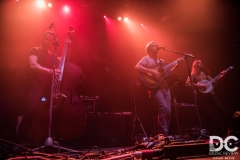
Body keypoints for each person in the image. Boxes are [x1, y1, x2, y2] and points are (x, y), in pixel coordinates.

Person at [16, 31, 61, 143]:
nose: (46, 41)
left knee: (49, 111)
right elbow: (33, 65)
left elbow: (62, 64)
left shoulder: (52, 55)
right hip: (35, 84)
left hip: (47, 86)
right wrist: (49, 71)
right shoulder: (34, 50)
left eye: (49, 40)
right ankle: (20, 139)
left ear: (52, 42)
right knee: (31, 110)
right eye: (45, 38)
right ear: (42, 38)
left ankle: (44, 137)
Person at [135, 41, 179, 136]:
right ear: (150, 49)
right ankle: (163, 136)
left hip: (166, 89)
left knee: (168, 112)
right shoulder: (146, 59)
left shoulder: (161, 61)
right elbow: (137, 67)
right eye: (154, 45)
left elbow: (167, 73)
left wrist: (176, 65)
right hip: (156, 89)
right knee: (164, 109)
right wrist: (152, 71)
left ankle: (165, 134)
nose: (157, 46)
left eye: (156, 45)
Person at [186, 59, 228, 137]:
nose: (200, 63)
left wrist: (220, 77)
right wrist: (199, 85)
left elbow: (213, 82)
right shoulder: (193, 74)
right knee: (208, 115)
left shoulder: (205, 73)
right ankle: (213, 134)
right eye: (198, 62)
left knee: (222, 111)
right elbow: (188, 83)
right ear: (195, 65)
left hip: (211, 94)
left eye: (201, 62)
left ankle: (225, 132)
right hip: (201, 97)